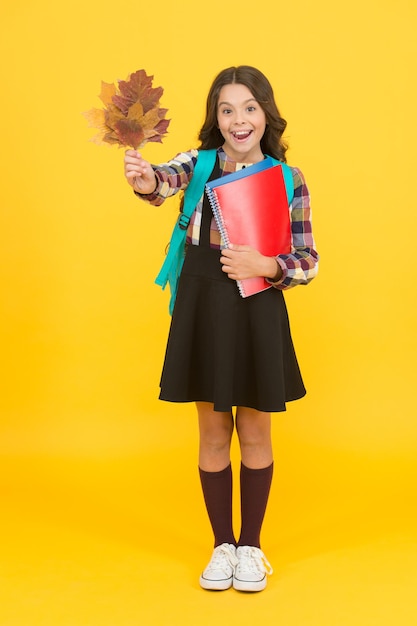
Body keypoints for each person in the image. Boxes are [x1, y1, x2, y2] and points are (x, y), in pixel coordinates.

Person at [124, 65, 318, 592]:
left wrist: (267, 266)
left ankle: (251, 547)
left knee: (255, 429)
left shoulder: (287, 178)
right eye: (226, 109)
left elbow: (308, 259)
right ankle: (222, 546)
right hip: (204, 304)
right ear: (215, 116)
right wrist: (145, 179)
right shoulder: (200, 164)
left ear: (265, 114)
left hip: (258, 306)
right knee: (212, 431)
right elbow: (163, 180)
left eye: (249, 108)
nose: (238, 120)